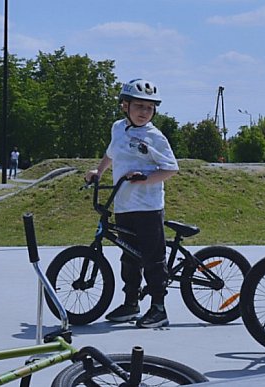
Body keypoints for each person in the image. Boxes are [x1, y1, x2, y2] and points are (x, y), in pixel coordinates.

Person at [84, 79, 179, 329]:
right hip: (123, 205)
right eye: (139, 106)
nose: (143, 112)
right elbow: (111, 152)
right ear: (124, 106)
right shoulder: (118, 128)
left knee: (152, 257)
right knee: (129, 257)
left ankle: (159, 308)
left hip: (148, 206)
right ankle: (131, 303)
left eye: (149, 108)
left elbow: (171, 168)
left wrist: (146, 178)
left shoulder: (155, 137)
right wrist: (99, 170)